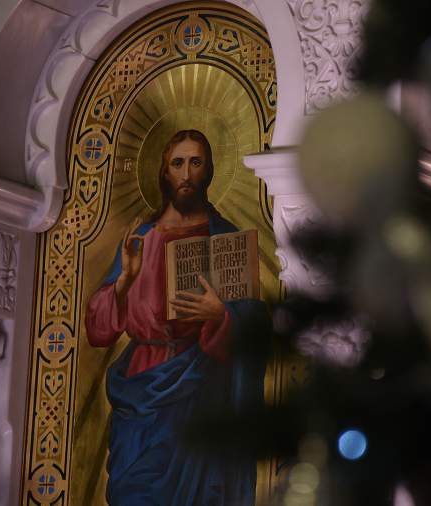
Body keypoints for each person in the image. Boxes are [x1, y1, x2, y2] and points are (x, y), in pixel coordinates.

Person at [85, 129, 266, 506]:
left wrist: (221, 316)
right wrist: (124, 282)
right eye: (178, 163)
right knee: (132, 492)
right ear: (164, 171)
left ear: (209, 170)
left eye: (195, 163)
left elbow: (253, 334)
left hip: (199, 391)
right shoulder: (141, 239)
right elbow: (98, 330)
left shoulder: (225, 239)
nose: (186, 174)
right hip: (140, 388)